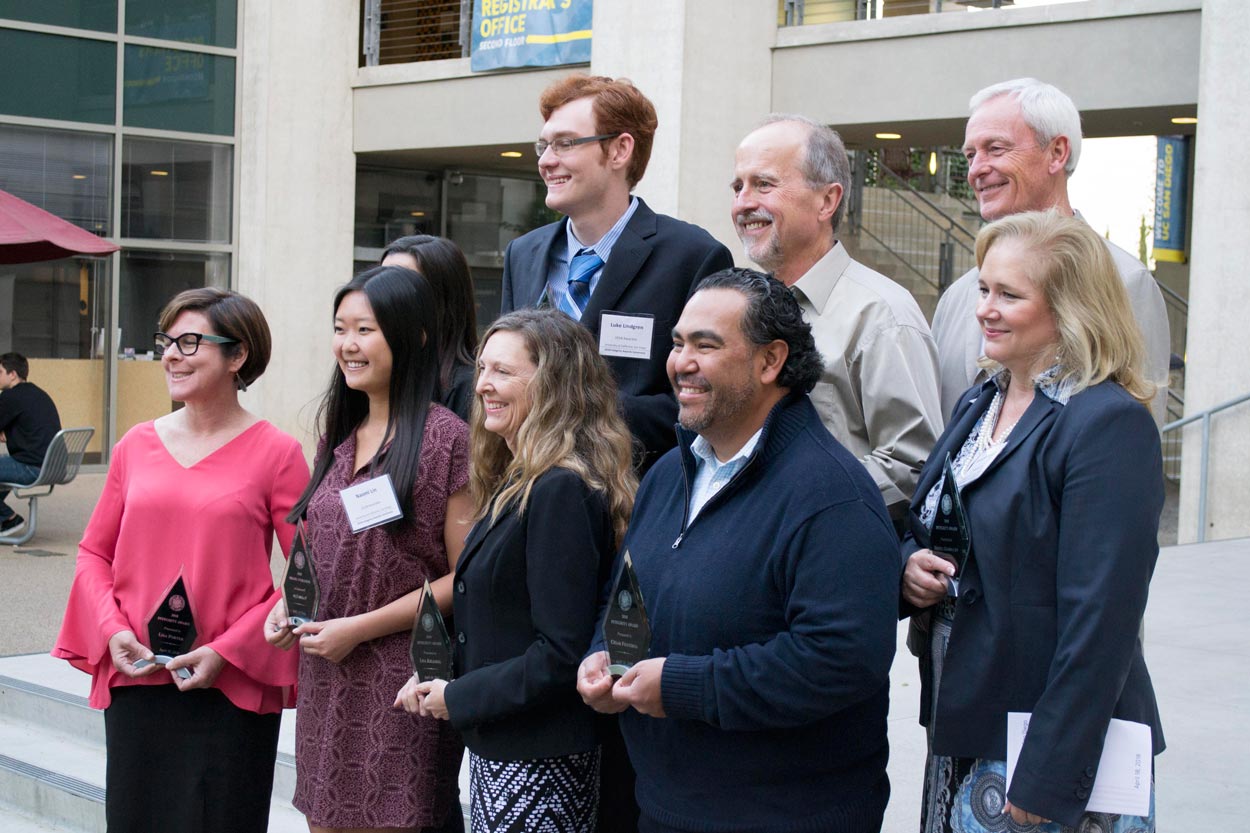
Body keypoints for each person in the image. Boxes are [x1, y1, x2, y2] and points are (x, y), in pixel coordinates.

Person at [578, 269, 901, 833]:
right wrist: (602, 654)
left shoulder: (832, 496)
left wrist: (682, 686)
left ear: (770, 361)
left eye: (707, 345)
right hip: (664, 805)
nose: (681, 363)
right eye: (678, 344)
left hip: (787, 816)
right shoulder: (668, 476)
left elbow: (840, 660)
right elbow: (625, 592)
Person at [900, 211, 1164, 832]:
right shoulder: (981, 399)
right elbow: (934, 523)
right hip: (967, 715)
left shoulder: (1106, 422)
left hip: (1047, 748)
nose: (985, 308)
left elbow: (1101, 620)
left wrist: (1047, 772)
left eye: (1010, 295)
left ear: (1072, 308)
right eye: (984, 289)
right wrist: (908, 566)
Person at [52, 289, 310, 832]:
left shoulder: (277, 452)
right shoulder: (134, 446)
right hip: (139, 674)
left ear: (237, 356)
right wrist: (111, 628)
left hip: (228, 686)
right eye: (166, 341)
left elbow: (308, 573)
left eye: (190, 342)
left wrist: (228, 649)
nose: (171, 354)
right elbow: (93, 553)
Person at [396, 308, 637, 833]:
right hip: (508, 750)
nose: (482, 385)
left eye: (503, 372)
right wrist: (443, 676)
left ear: (553, 384)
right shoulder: (522, 478)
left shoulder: (559, 489)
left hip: (539, 760)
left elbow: (559, 653)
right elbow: (507, 623)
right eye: (482, 369)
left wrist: (457, 697)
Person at [264, 264, 474, 833]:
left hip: (401, 680)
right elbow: (316, 544)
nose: (348, 345)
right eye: (341, 328)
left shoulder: (446, 438)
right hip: (326, 674)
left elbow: (465, 579)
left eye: (366, 330)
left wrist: (358, 628)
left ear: (413, 337)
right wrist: (290, 604)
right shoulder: (338, 435)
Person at [501, 74, 733, 472]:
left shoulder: (693, 257)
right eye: (543, 145)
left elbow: (708, 401)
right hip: (528, 492)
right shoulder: (522, 254)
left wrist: (575, 414)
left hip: (633, 499)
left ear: (620, 150)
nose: (545, 160)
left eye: (565, 143)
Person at [732, 114, 943, 524]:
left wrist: (795, 507)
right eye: (737, 187)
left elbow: (914, 465)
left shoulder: (882, 316)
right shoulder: (743, 307)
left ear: (827, 201)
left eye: (764, 184)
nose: (743, 202)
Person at [932, 77, 1171, 423]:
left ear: (1057, 153)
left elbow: (1138, 442)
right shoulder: (957, 297)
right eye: (971, 154)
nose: (976, 170)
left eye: (995, 149)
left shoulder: (1124, 282)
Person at [381, 234, 479, 421]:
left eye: (400, 285)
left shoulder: (470, 387)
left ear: (442, 297)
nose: (384, 296)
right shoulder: (379, 374)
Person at [0, 351, 62, 534]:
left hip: (31, 466)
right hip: (51, 466)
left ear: (12, 375)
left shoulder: (10, 397)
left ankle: (9, 518)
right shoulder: (38, 393)